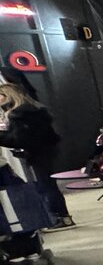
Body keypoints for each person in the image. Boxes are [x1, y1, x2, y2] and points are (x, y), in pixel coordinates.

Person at [0, 82, 73, 229]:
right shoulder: (31, 110)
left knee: (45, 186)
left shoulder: (18, 114)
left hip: (37, 153)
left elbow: (20, 139)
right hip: (44, 151)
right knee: (47, 184)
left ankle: (57, 217)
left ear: (7, 96)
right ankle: (61, 216)